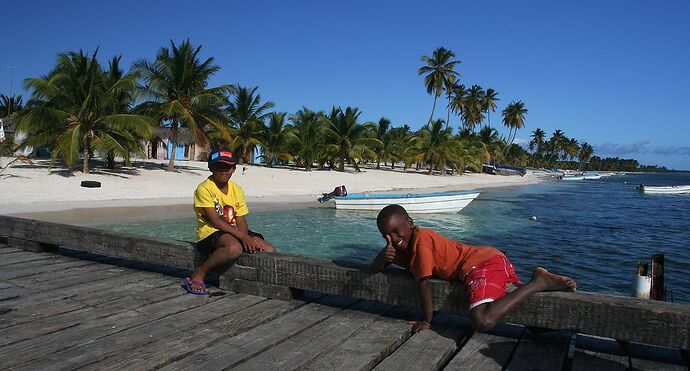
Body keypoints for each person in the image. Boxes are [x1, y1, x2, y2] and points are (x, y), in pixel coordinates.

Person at [371, 204, 576, 333]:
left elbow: (422, 283)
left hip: (482, 263)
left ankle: (539, 282)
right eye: (387, 236)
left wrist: (427, 320)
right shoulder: (398, 248)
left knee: (482, 320)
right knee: (501, 303)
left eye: (397, 232)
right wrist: (382, 256)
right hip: (483, 262)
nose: (395, 240)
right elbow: (374, 268)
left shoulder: (421, 239)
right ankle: (537, 324)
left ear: (410, 223)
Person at [183, 148, 276, 295]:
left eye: (228, 167)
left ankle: (261, 279)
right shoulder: (204, 188)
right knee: (234, 248)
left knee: (269, 249)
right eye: (219, 166)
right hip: (211, 231)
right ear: (211, 168)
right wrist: (243, 238)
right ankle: (199, 273)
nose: (224, 170)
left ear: (234, 169)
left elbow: (240, 218)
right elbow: (214, 220)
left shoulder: (237, 190)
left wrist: (244, 236)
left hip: (235, 231)